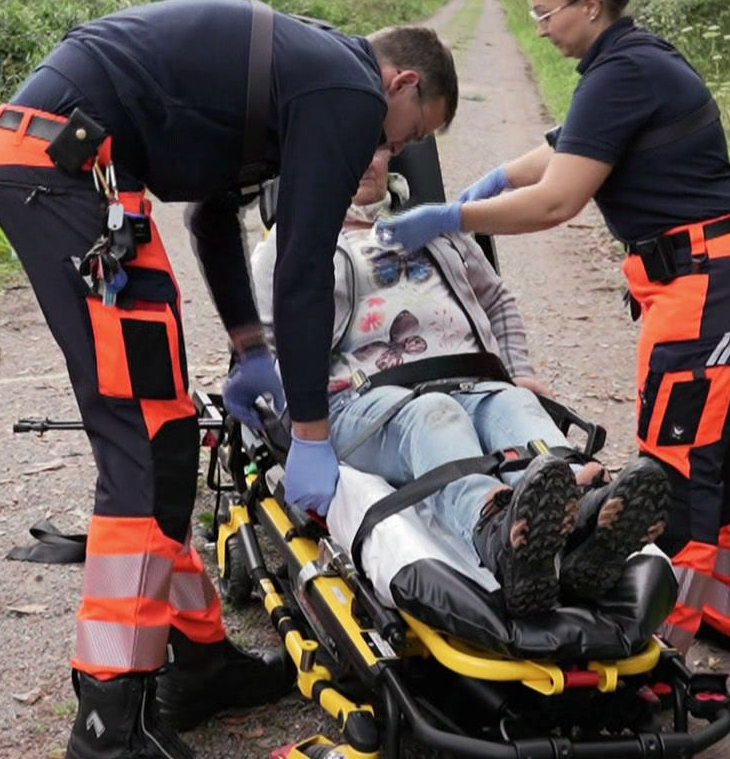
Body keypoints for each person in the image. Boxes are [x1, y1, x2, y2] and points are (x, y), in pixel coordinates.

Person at [0, 0, 457, 758]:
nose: (397, 154)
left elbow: (210, 217)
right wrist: (310, 433)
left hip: (78, 169)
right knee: (144, 443)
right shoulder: (350, 90)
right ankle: (111, 729)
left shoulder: (308, 78)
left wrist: (248, 342)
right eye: (417, 132)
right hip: (63, 170)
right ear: (402, 85)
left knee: (164, 430)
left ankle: (199, 664)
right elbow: (301, 266)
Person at [375, 0, 730, 659]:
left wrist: (450, 222)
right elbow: (557, 154)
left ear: (589, 5)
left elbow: (559, 198)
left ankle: (663, 639)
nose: (538, 26)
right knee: (722, 447)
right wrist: (486, 182)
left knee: (674, 462)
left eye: (545, 12)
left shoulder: (624, 71)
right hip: (722, 272)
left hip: (705, 283)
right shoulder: (628, 62)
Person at [251, 147, 669, 618]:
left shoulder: (434, 227)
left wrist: (521, 372)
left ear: (393, 152)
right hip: (367, 400)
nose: (365, 159)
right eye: (353, 148)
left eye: (377, 146)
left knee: (516, 405)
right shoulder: (289, 247)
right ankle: (496, 534)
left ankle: (584, 521)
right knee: (433, 414)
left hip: (473, 378)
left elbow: (497, 300)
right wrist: (305, 433)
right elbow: (272, 346)